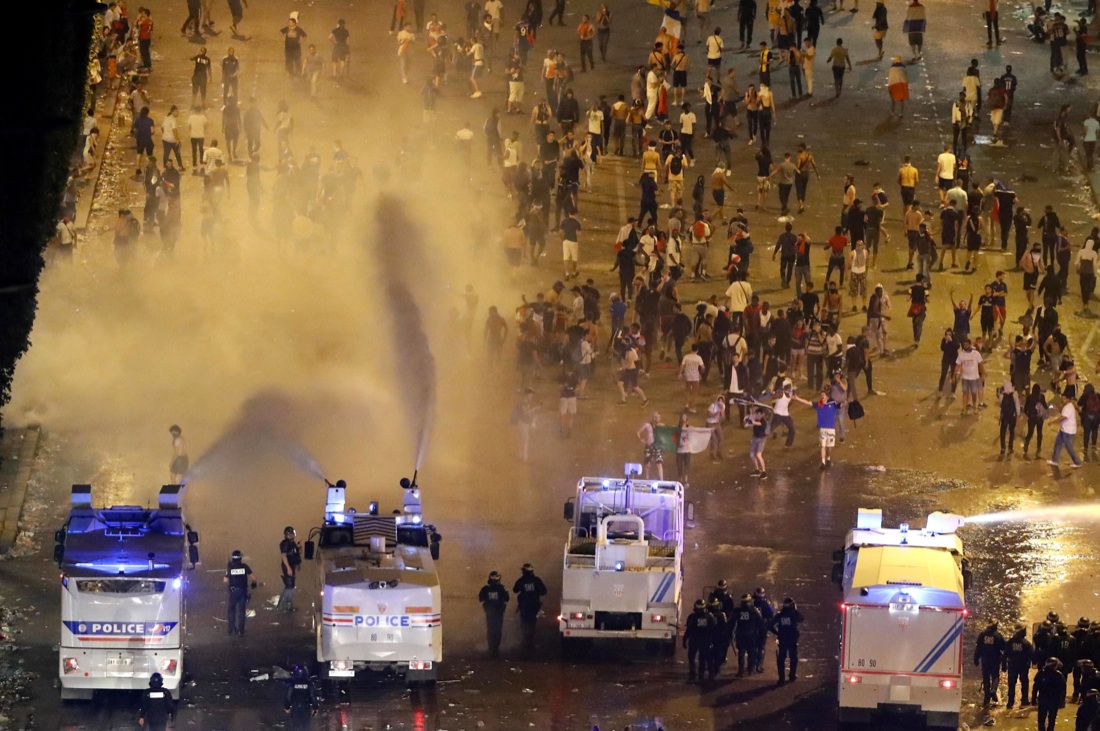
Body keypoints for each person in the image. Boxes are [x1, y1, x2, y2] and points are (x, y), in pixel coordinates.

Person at [513, 563, 548, 654]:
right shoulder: (536, 580)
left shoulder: (521, 581)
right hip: (534, 607)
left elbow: (515, 590)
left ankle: (525, 643)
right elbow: (544, 591)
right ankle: (529, 644)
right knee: (531, 625)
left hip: (524, 607)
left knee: (524, 624)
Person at [769, 596, 804, 684]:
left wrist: (777, 633)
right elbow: (801, 619)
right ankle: (792, 675)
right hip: (792, 639)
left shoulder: (780, 615)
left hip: (783, 639)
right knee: (793, 658)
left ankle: (781, 678)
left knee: (781, 658)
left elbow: (770, 625)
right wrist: (796, 610)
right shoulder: (794, 614)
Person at [224, 549, 257, 636]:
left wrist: (228, 570)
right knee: (241, 611)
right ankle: (240, 630)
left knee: (232, 610)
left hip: (233, 591)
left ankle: (231, 629)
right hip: (243, 591)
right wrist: (254, 584)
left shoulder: (231, 567)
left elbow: (225, 580)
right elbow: (254, 577)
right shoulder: (245, 566)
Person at [731, 594, 765, 676]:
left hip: (741, 634)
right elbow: (761, 622)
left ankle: (741, 671)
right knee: (751, 652)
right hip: (751, 634)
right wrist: (761, 634)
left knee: (741, 652)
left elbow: (731, 622)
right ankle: (750, 669)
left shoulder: (737, 610)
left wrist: (729, 633)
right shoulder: (754, 610)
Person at [974, 619, 1006, 705]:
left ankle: (986, 697)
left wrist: (976, 659)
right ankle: (993, 690)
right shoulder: (998, 636)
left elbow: (978, 648)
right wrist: (1004, 663)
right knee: (995, 676)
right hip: (995, 660)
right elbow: (1004, 648)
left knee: (986, 678)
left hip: (985, 660)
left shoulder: (982, 635)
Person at [479, 571, 510, 658]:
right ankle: (495, 649)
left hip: (490, 613)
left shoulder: (486, 589)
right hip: (498, 613)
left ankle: (491, 648)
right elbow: (507, 599)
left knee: (490, 630)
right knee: (497, 631)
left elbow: (481, 599)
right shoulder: (502, 588)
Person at [683, 598, 715, 682]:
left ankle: (693, 673)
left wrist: (684, 639)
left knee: (692, 657)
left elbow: (689, 630)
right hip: (704, 640)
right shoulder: (709, 616)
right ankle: (701, 674)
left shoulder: (692, 616)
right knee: (703, 657)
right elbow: (713, 629)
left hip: (695, 640)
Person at [1049, 392, 1083, 468]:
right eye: (1062, 399)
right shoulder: (1067, 406)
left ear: (1068, 399)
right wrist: (1058, 409)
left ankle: (1077, 462)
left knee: (1069, 447)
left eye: (1064, 399)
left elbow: (1063, 417)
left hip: (1068, 431)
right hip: (1064, 430)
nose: (1062, 400)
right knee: (1058, 443)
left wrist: (1052, 422)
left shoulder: (1068, 407)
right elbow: (1064, 413)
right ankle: (1054, 461)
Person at [1004, 623, 1034, 708]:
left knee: (1011, 684)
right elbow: (1031, 655)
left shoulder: (1010, 642)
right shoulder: (1026, 643)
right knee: (1024, 683)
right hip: (1023, 666)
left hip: (1012, 666)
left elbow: (1005, 654)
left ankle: (1010, 702)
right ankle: (1024, 701)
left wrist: (1003, 665)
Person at [1035, 657, 1067, 731]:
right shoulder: (1059, 675)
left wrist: (1034, 699)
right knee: (1051, 719)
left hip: (1044, 699)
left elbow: (1035, 687)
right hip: (1054, 701)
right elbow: (1063, 690)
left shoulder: (1041, 673)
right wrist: (1062, 701)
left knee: (1042, 719)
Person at [283, 665, 318, 731]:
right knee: (305, 725)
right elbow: (312, 695)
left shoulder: (292, 683)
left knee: (295, 726)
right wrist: (315, 707)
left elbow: (288, 695)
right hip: (306, 707)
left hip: (295, 707)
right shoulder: (308, 683)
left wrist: (287, 707)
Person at [278, 526, 301, 613]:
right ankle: (286, 606)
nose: (292, 535)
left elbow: (297, 554)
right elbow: (283, 556)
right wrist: (288, 568)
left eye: (293, 533)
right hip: (288, 567)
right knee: (289, 586)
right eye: (290, 533)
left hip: (291, 566)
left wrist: (299, 547)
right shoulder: (285, 543)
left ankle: (285, 605)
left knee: (289, 586)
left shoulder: (292, 543)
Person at [748, 406, 768, 478]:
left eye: (759, 414)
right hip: (755, 438)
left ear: (762, 414)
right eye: (757, 414)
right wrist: (751, 413)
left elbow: (754, 422)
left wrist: (751, 417)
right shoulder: (756, 419)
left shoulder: (763, 422)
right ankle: (757, 469)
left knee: (758, 455)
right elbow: (748, 423)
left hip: (761, 439)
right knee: (752, 455)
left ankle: (764, 471)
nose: (758, 415)